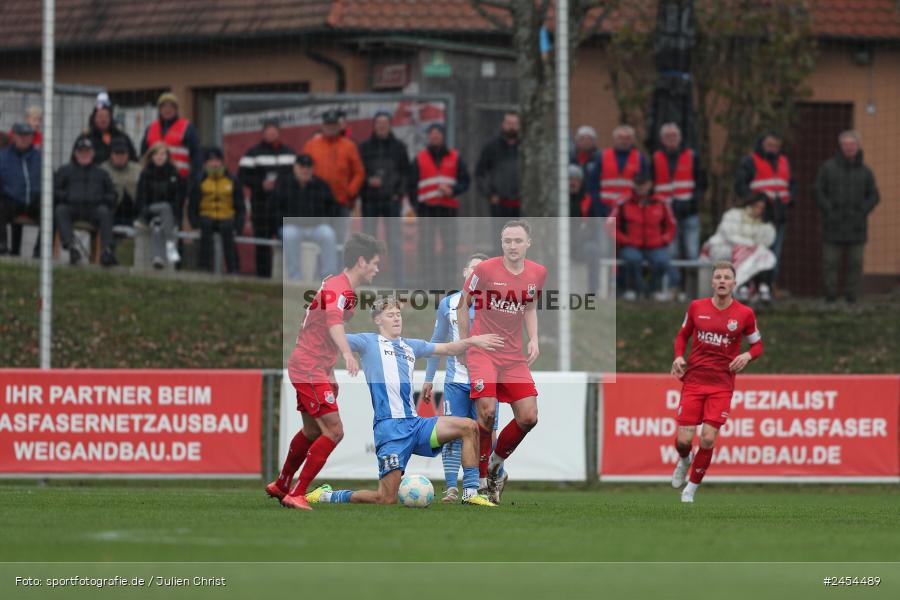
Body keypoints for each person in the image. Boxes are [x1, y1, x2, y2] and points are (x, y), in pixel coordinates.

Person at [303, 296, 503, 508]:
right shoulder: (367, 342)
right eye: (390, 315)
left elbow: (448, 348)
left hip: (416, 425)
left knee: (469, 426)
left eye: (398, 314)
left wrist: (473, 341)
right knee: (386, 498)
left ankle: (470, 492)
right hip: (390, 429)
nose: (396, 318)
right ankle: (326, 495)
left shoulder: (411, 346)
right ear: (378, 320)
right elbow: (330, 338)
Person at [270, 233, 384, 510]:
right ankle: (297, 493)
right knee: (334, 431)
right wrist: (347, 354)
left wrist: (329, 368)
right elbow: (333, 324)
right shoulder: (338, 288)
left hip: (312, 365)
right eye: (375, 263)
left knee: (312, 430)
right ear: (361, 261)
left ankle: (282, 484)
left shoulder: (342, 289)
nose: (377, 269)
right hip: (308, 366)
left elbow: (320, 328)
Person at [457, 220, 547, 504]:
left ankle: (496, 464)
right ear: (501, 243)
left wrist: (533, 339)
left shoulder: (538, 273)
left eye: (518, 240)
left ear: (528, 243)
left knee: (529, 416)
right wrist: (466, 343)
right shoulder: (484, 270)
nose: (512, 246)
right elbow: (462, 304)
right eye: (507, 241)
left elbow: (529, 307)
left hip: (513, 356)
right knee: (487, 413)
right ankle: (482, 481)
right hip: (483, 350)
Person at [670, 261, 763, 503]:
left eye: (726, 277)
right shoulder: (696, 307)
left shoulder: (744, 314)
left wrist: (747, 355)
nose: (722, 281)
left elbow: (757, 345)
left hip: (721, 384)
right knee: (684, 440)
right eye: (718, 277)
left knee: (708, 438)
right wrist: (678, 356)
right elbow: (682, 336)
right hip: (694, 380)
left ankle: (690, 490)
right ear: (712, 282)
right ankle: (684, 460)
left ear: (734, 283)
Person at [422, 253, 501, 502]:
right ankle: (451, 487)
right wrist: (429, 377)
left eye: (482, 270)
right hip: (456, 380)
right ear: (465, 273)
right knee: (452, 432)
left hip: (486, 379)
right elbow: (437, 341)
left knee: (488, 433)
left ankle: (490, 481)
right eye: (473, 269)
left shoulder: (497, 303)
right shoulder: (449, 303)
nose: (477, 273)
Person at [814, 130, 880, 304]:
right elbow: (817, 191)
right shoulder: (828, 168)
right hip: (832, 225)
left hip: (857, 226)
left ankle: (851, 298)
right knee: (830, 263)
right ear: (840, 146)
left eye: (852, 144)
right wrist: (829, 209)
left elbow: (874, 196)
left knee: (856, 263)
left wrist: (862, 210)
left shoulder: (866, 171)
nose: (849, 147)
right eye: (846, 144)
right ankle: (830, 298)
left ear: (858, 146)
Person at [409, 123, 471, 288]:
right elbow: (411, 184)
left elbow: (465, 180)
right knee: (426, 247)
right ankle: (427, 283)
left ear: (443, 136)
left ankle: (448, 283)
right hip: (426, 209)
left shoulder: (455, 157)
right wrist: (417, 206)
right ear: (428, 137)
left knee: (449, 247)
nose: (434, 136)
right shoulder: (420, 158)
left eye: (438, 133)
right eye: (432, 133)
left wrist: (453, 190)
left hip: (447, 208)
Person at [652, 123, 706, 300]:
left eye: (674, 136)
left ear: (680, 138)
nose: (671, 139)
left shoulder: (691, 156)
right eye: (668, 136)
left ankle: (692, 291)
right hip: (666, 213)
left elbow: (701, 182)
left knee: (692, 252)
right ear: (662, 140)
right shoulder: (656, 158)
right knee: (671, 253)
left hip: (689, 211)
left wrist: (693, 202)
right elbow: (652, 185)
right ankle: (673, 288)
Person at [238, 119, 296, 277]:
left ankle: (286, 277)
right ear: (263, 133)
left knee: (286, 240)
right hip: (260, 206)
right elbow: (242, 176)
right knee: (262, 243)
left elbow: (295, 177)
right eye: (268, 131)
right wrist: (260, 184)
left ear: (279, 132)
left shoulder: (289, 154)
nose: (271, 134)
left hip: (283, 207)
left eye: (274, 131)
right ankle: (263, 278)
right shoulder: (252, 153)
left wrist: (281, 185)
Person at [357, 111, 409, 287]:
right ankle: (367, 280)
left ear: (389, 125)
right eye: (379, 123)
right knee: (368, 242)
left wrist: (398, 193)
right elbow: (358, 172)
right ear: (374, 125)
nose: (381, 126)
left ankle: (398, 282)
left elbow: (405, 173)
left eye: (385, 123)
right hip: (370, 200)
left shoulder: (399, 147)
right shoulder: (364, 147)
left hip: (391, 201)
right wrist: (366, 183)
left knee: (394, 241)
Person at [735, 132, 795, 284]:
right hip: (758, 217)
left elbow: (791, 184)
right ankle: (751, 285)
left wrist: (790, 199)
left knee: (774, 254)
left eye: (776, 146)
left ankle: (768, 286)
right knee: (755, 252)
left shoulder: (784, 161)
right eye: (769, 145)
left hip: (778, 215)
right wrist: (755, 201)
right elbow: (740, 186)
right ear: (761, 144)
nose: (772, 149)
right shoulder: (750, 161)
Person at [608, 172, 676, 300]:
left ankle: (653, 290)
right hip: (631, 245)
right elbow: (610, 225)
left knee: (662, 261)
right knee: (633, 259)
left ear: (650, 184)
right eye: (637, 183)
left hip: (656, 245)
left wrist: (664, 240)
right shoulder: (622, 201)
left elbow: (671, 225)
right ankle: (636, 291)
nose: (640, 187)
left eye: (643, 184)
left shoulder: (662, 202)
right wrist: (624, 240)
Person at [303, 110, 365, 252]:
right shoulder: (311, 145)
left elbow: (359, 172)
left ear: (339, 126)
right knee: (317, 243)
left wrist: (351, 191)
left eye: (333, 124)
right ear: (322, 126)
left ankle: (336, 266)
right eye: (328, 124)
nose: (330, 127)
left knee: (339, 242)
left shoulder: (349, 146)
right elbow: (302, 170)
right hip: (317, 205)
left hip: (341, 203)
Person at [53, 136, 117, 266]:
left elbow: (113, 194)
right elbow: (54, 191)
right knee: (60, 210)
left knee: (104, 212)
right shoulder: (65, 171)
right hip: (72, 207)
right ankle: (71, 247)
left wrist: (101, 199)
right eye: (81, 151)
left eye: (87, 151)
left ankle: (107, 251)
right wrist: (68, 196)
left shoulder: (101, 173)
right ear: (76, 154)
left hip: (94, 209)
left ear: (93, 154)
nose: (84, 154)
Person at [275, 154, 340, 281]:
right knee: (289, 234)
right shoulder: (284, 184)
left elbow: (333, 208)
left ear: (312, 169)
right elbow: (275, 207)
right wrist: (281, 223)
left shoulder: (321, 185)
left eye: (308, 167)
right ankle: (295, 278)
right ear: (295, 168)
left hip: (316, 227)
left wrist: (324, 221)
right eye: (302, 166)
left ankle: (329, 278)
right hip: (292, 226)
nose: (305, 170)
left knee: (328, 234)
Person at [702, 194, 776, 302]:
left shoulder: (766, 223)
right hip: (722, 247)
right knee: (748, 255)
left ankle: (759, 287)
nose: (758, 210)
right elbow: (729, 235)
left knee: (766, 255)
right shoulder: (733, 214)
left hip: (748, 251)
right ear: (751, 204)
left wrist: (750, 245)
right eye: (757, 206)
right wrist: (749, 244)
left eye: (762, 208)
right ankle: (742, 286)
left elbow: (766, 242)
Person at [189, 147, 245, 274]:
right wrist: (194, 224)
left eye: (217, 161)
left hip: (227, 217)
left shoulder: (232, 180)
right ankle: (204, 268)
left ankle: (233, 269)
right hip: (206, 217)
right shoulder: (199, 180)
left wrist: (239, 226)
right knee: (205, 227)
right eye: (211, 161)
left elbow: (240, 206)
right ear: (205, 163)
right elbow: (192, 206)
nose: (214, 164)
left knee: (228, 229)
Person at [135, 142, 186, 269]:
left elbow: (179, 198)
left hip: (169, 216)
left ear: (167, 156)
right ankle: (170, 246)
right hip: (149, 211)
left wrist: (173, 213)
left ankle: (157, 258)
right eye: (157, 154)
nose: (160, 157)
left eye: (163, 154)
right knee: (165, 207)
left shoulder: (174, 174)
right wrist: (145, 211)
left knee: (158, 225)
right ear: (151, 156)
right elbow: (141, 198)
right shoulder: (145, 174)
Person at [140, 92, 202, 195]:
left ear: (176, 109)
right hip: (153, 181)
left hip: (180, 182)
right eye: (164, 107)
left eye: (171, 107)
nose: (167, 110)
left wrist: (194, 180)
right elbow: (144, 155)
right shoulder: (150, 128)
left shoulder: (187, 127)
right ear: (159, 109)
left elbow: (197, 156)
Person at [476, 112, 521, 252]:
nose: (511, 127)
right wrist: (489, 194)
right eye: (509, 123)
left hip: (522, 206)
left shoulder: (526, 147)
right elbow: (480, 173)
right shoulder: (492, 147)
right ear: (503, 125)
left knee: (521, 242)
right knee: (500, 240)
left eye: (514, 124)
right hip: (499, 205)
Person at [589, 124, 649, 216]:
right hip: (605, 207)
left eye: (628, 138)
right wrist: (598, 205)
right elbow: (593, 183)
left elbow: (644, 186)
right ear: (614, 139)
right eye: (620, 138)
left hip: (630, 208)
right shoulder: (602, 156)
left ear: (633, 140)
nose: (624, 141)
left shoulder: (639, 158)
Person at [0, 123, 41, 257]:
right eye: (21, 136)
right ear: (14, 137)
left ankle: (40, 250)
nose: (24, 139)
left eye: (27, 136)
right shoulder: (3, 157)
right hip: (12, 201)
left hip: (34, 201)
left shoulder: (40, 158)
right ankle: (2, 245)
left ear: (32, 138)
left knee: (52, 209)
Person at [569, 164, 604, 294]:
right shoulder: (557, 200)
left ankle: (593, 292)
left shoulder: (588, 201)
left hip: (581, 244)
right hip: (561, 244)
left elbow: (593, 227)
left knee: (593, 249)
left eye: (576, 179)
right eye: (570, 179)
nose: (573, 183)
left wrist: (581, 236)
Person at [102, 137, 142, 228]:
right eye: (117, 153)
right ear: (111, 154)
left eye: (123, 153)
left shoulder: (138, 169)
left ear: (128, 154)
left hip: (135, 214)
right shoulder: (103, 170)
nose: (120, 157)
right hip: (111, 214)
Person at [87, 92, 137, 165]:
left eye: (106, 116)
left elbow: (133, 161)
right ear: (94, 118)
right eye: (100, 116)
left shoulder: (122, 137)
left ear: (111, 118)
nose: (103, 120)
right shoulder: (86, 138)